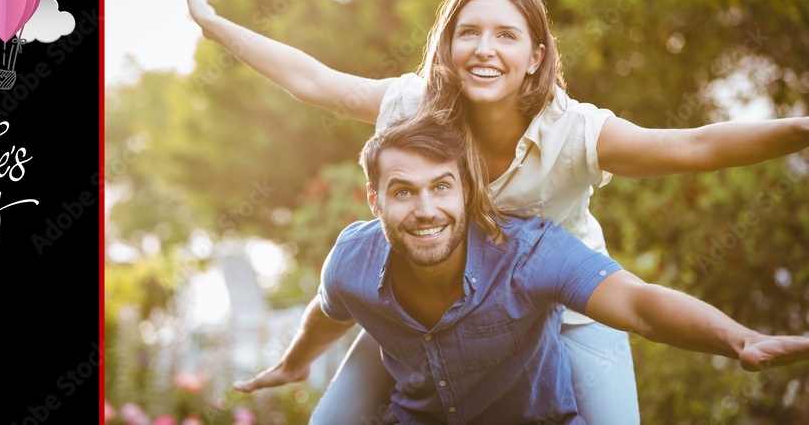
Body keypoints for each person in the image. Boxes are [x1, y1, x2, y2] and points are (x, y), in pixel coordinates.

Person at [178, 0, 809, 423]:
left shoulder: (578, 133)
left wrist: (801, 130)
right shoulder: (413, 104)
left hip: (566, 308)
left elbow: (696, 147)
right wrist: (213, 26)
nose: (484, 49)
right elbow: (314, 80)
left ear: (536, 56)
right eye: (469, 33)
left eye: (506, 36)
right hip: (436, 306)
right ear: (447, 47)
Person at [236, 115, 809, 424]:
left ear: (468, 191)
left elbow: (639, 305)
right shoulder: (352, 260)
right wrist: (292, 364)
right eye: (403, 192)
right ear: (374, 201)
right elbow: (327, 312)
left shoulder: (530, 254)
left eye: (442, 187)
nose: (426, 209)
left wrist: (739, 338)